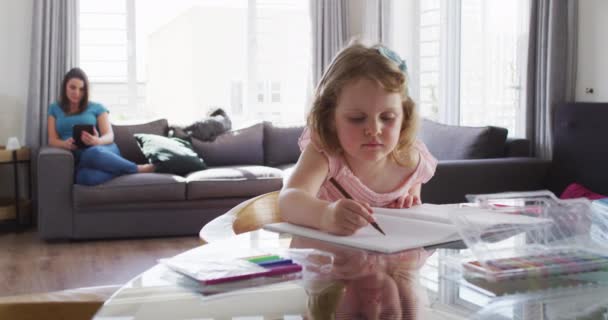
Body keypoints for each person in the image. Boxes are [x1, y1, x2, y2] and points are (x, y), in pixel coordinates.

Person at [279, 42, 437, 236]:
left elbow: (412, 214)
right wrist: (325, 215)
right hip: (326, 260)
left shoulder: (411, 161)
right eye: (357, 119)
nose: (374, 130)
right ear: (330, 118)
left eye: (387, 118)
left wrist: (408, 202)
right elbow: (288, 200)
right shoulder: (326, 154)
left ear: (404, 117)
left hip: (386, 262)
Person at [47, 67, 155, 186]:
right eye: (72, 87)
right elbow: (52, 139)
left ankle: (137, 169)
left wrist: (97, 141)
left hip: (103, 150)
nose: (77, 93)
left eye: (81, 89)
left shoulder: (97, 107)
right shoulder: (54, 108)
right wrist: (64, 144)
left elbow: (109, 135)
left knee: (92, 152)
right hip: (80, 159)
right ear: (65, 87)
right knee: (83, 178)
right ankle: (122, 170)